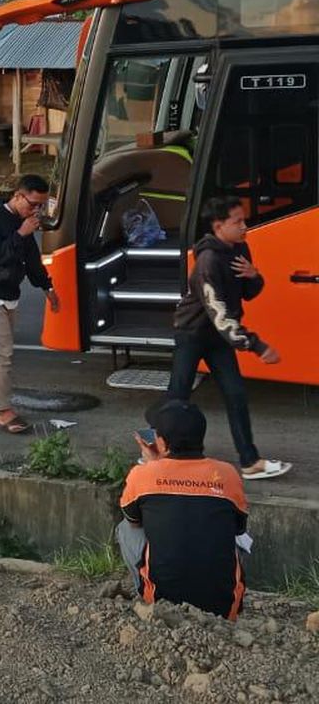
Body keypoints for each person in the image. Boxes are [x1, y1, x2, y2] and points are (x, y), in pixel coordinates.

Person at [169, 196, 290, 480]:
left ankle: (250, 462)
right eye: (238, 222)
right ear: (219, 226)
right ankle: (158, 452)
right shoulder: (208, 262)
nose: (245, 226)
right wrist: (257, 345)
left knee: (236, 394)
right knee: (178, 397)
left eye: (244, 220)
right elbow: (219, 314)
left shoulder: (239, 248)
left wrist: (253, 275)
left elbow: (248, 293)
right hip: (192, 333)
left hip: (219, 338)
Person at [118, 400, 250, 620]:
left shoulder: (142, 475)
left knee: (124, 528)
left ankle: (147, 595)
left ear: (159, 441)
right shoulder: (227, 474)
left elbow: (133, 523)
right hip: (225, 609)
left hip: (163, 602)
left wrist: (154, 465)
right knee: (234, 534)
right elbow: (238, 529)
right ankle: (230, 592)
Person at [0, 174, 59, 434]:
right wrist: (21, 233)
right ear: (17, 196)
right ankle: (5, 411)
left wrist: (47, 287)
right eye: (32, 204)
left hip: (8, 293)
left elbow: (31, 259)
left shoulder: (23, 221)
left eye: (40, 206)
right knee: (2, 354)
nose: (36, 210)